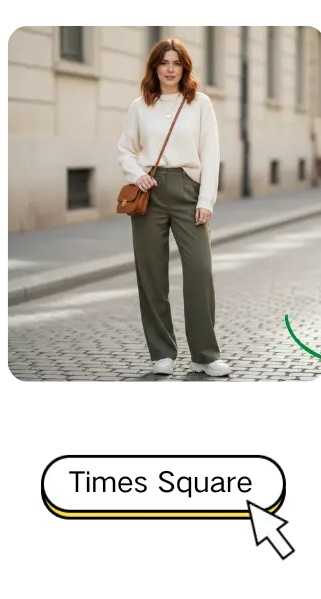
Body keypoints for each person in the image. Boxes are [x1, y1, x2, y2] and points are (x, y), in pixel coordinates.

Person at [117, 38, 229, 377]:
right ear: (154, 67)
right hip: (148, 195)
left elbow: (211, 154)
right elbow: (125, 150)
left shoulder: (200, 104)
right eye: (163, 63)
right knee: (151, 274)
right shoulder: (140, 106)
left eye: (175, 63)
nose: (169, 69)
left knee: (200, 272)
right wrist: (137, 175)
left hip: (188, 191)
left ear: (184, 68)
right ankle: (162, 352)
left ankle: (205, 355)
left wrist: (206, 200)